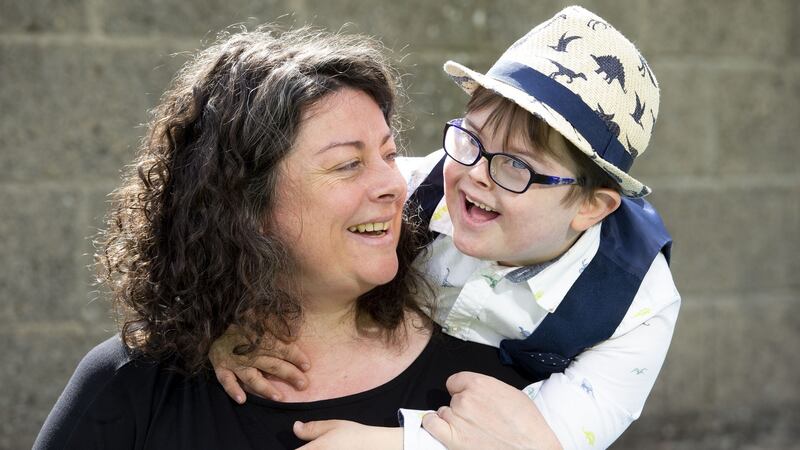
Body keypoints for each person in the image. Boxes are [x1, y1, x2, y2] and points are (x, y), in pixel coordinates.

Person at [32, 27, 542, 450]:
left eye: (389, 155)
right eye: (347, 164)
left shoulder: (479, 397)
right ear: (245, 207)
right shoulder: (136, 383)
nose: (393, 184)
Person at [210, 6, 681, 450]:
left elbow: (543, 438)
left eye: (516, 166)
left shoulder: (635, 305)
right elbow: (295, 230)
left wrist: (393, 441)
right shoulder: (417, 188)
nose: (476, 172)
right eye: (471, 138)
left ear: (591, 207)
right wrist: (225, 320)